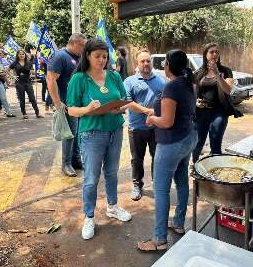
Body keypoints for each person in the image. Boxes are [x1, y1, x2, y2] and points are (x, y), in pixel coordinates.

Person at [66, 38, 131, 240]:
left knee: (112, 172)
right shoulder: (79, 79)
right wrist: (88, 109)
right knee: (91, 178)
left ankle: (112, 207)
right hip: (91, 134)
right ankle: (89, 216)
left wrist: (119, 108)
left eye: (105, 56)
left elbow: (124, 99)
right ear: (87, 56)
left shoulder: (114, 76)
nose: (102, 60)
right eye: (97, 56)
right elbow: (72, 109)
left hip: (115, 130)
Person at [137, 49, 197, 252]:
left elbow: (166, 121)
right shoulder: (187, 82)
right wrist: (157, 112)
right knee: (181, 181)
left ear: (167, 65)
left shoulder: (172, 86)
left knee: (161, 190)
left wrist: (152, 119)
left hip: (172, 143)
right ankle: (178, 223)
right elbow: (177, 111)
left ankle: (159, 240)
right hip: (187, 138)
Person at [122, 49, 166, 201]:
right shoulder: (129, 81)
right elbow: (128, 102)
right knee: (137, 159)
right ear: (137, 63)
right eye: (143, 61)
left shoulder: (161, 81)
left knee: (157, 157)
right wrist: (148, 111)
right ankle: (137, 185)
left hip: (156, 128)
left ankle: (156, 183)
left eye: (148, 61)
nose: (146, 64)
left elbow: (166, 101)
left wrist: (157, 113)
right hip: (136, 128)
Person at [47, 33, 86, 177]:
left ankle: (76, 161)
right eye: (83, 45)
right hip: (66, 104)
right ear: (74, 43)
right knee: (69, 135)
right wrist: (57, 103)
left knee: (76, 133)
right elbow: (51, 79)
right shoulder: (60, 56)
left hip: (78, 104)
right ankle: (66, 164)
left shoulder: (78, 57)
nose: (84, 49)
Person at [192, 43, 235, 163]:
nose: (215, 54)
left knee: (215, 144)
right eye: (211, 52)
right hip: (201, 112)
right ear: (205, 54)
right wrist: (195, 102)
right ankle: (195, 166)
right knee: (197, 143)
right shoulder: (198, 73)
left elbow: (228, 90)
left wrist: (217, 75)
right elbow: (192, 93)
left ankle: (214, 171)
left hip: (219, 113)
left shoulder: (226, 71)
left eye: (217, 52)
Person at [9, 50, 43, 119]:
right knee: (22, 99)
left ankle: (37, 113)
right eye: (20, 54)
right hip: (19, 83)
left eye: (23, 54)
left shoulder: (29, 62)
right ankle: (24, 114)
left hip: (28, 82)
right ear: (17, 55)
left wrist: (33, 73)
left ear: (25, 55)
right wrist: (13, 76)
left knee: (32, 98)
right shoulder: (15, 63)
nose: (21, 55)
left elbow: (32, 71)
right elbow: (7, 70)